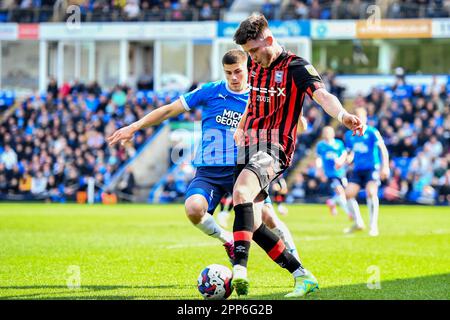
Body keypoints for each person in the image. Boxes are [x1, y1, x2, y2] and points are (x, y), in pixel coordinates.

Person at [107, 49, 300, 266]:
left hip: (245, 169)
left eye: (238, 72)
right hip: (210, 169)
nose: (233, 78)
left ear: (248, 68)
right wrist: (135, 126)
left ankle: (298, 264)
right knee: (194, 209)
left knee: (266, 219)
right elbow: (170, 110)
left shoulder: (259, 96)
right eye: (228, 73)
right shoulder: (211, 91)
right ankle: (226, 238)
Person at [230, 14, 364, 298]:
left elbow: (323, 95)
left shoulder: (296, 67)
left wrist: (342, 115)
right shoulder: (254, 63)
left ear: (269, 39)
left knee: (241, 192)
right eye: (247, 53)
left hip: (275, 147)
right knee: (253, 223)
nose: (251, 57)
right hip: (248, 146)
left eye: (254, 50)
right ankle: (302, 275)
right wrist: (241, 126)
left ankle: (239, 271)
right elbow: (254, 101)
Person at [343, 107, 390, 237]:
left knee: (371, 192)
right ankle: (358, 223)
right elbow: (350, 152)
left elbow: (383, 149)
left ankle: (373, 226)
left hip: (372, 168)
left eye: (360, 117)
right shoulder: (349, 135)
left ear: (365, 118)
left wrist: (385, 166)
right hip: (358, 169)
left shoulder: (372, 132)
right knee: (348, 194)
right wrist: (347, 159)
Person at [316, 126, 352, 219]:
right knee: (340, 191)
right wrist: (319, 170)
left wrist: (340, 161)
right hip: (329, 174)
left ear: (333, 133)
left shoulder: (339, 143)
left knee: (344, 192)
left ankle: (332, 202)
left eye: (329, 132)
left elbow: (344, 154)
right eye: (325, 132)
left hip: (341, 172)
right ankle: (349, 213)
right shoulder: (320, 145)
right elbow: (319, 159)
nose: (327, 134)